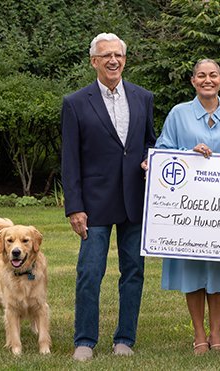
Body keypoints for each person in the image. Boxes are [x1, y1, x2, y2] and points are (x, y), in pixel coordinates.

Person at [61, 33, 156, 361]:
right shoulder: (75, 102)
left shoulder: (144, 97)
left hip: (135, 200)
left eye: (118, 55)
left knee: (133, 271)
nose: (113, 60)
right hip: (94, 203)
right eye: (106, 56)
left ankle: (124, 339)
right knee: (89, 272)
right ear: (94, 62)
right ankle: (85, 340)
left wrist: (149, 159)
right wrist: (74, 206)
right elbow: (70, 159)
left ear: (125, 60)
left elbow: (149, 143)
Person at [152, 59, 220, 355]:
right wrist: (188, 153)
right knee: (192, 268)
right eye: (201, 76)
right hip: (188, 208)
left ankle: (217, 334)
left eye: (213, 75)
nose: (207, 80)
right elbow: (163, 150)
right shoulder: (178, 114)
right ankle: (198, 335)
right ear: (193, 81)